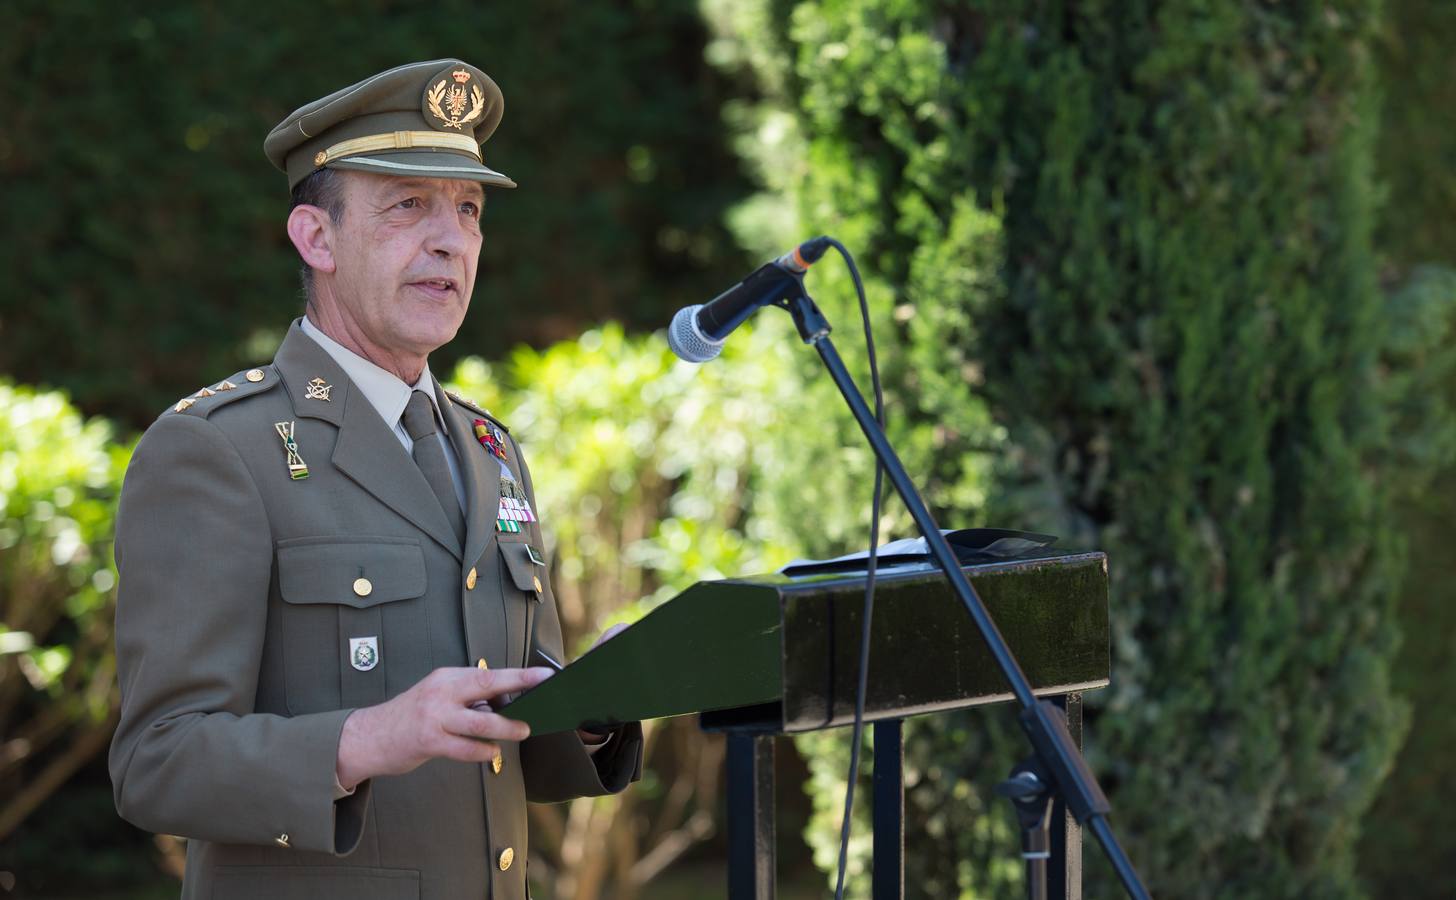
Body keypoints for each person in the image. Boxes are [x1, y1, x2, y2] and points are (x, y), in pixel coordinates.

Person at [108, 59, 642, 900]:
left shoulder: (487, 447)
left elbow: (494, 733)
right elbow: (156, 763)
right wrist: (362, 739)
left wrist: (595, 705)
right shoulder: (217, 452)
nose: (450, 240)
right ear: (316, 238)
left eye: (468, 210)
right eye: (408, 206)